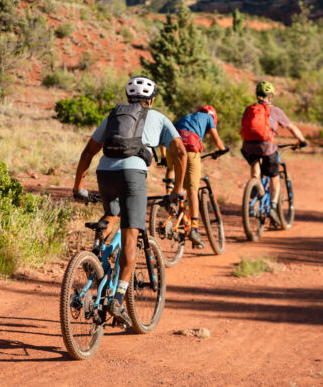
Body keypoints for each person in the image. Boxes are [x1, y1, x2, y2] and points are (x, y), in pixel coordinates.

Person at [72, 75, 187, 328]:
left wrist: (78, 186)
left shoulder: (114, 116)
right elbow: (180, 151)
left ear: (128, 99)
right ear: (152, 99)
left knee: (112, 214)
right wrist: (177, 189)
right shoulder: (158, 117)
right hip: (132, 176)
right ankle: (118, 300)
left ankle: (97, 253)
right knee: (130, 238)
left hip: (105, 174)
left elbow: (88, 151)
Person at [240, 81, 307, 225]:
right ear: (270, 97)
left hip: (248, 147)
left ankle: (255, 189)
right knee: (274, 177)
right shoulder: (275, 111)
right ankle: (272, 206)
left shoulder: (249, 109)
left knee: (255, 169)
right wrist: (301, 141)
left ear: (257, 95)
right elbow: (291, 127)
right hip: (267, 147)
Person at [163, 105, 227, 248]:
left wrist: (163, 156)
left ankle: (169, 196)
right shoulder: (208, 117)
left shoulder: (186, 117)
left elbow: (167, 133)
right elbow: (216, 140)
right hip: (191, 148)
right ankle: (195, 229)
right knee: (192, 189)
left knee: (171, 168)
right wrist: (222, 149)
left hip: (171, 146)